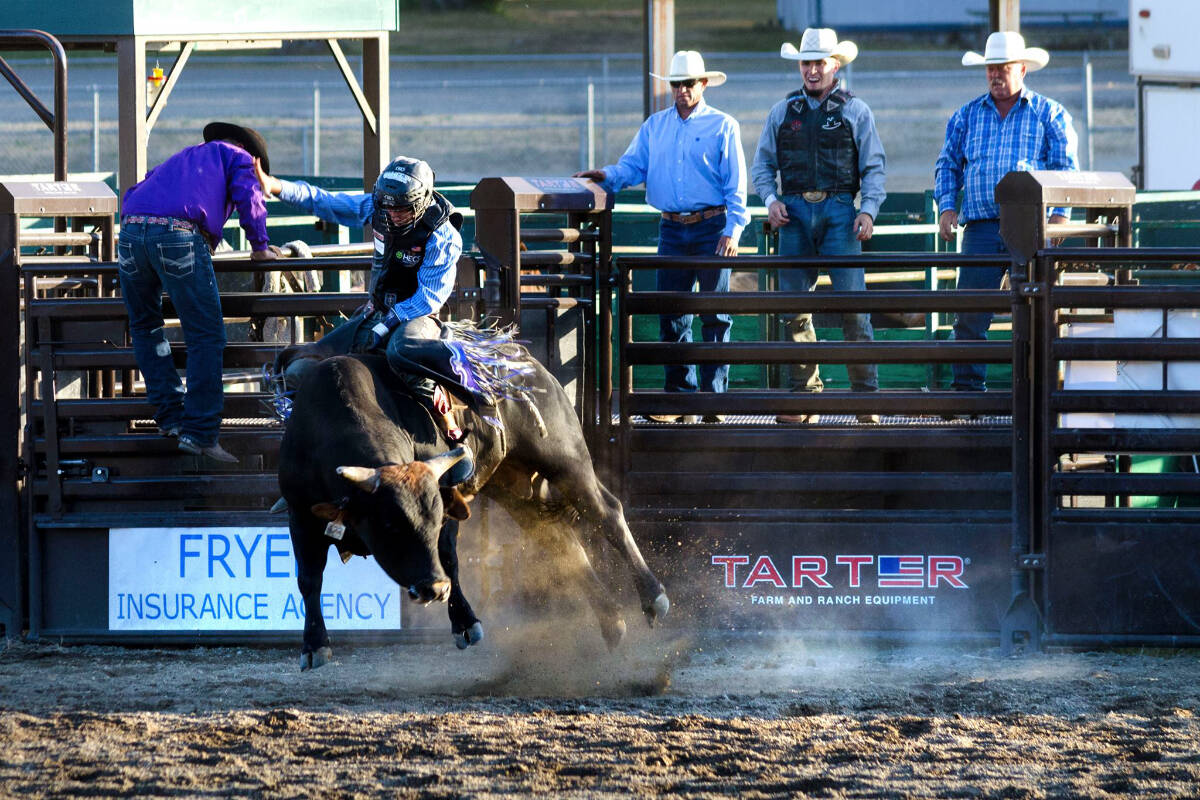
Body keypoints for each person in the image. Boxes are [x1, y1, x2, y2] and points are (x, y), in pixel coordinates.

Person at [575, 50, 749, 424]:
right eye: (677, 84)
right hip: (673, 226)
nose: (682, 90)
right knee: (673, 315)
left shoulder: (723, 126)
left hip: (711, 227)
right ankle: (682, 398)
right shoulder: (655, 127)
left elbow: (736, 184)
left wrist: (733, 229)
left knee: (714, 315)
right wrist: (606, 176)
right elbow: (632, 166)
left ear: (703, 84)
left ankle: (711, 400)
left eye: (688, 83)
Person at [256, 155, 464, 433]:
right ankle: (305, 429)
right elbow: (326, 202)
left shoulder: (442, 235)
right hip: (378, 310)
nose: (392, 215)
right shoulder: (378, 207)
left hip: (418, 317)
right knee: (301, 367)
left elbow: (429, 298)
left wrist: (386, 323)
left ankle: (451, 428)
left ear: (422, 201)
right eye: (387, 207)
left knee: (402, 353)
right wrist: (276, 186)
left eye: (402, 209)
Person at [118, 121, 277, 464]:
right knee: (205, 337)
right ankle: (201, 432)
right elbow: (250, 196)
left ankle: (171, 418)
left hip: (131, 231)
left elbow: (136, 191)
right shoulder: (239, 157)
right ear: (255, 158)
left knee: (146, 327)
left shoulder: (184, 157)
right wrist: (260, 246)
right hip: (179, 235)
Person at [751, 28, 886, 425]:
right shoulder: (782, 111)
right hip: (792, 211)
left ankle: (865, 399)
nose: (812, 70)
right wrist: (771, 202)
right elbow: (762, 166)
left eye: (819, 62)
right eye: (807, 63)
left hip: (842, 209)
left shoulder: (856, 110)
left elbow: (874, 167)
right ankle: (803, 395)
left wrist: (869, 210)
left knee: (853, 309)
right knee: (793, 310)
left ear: (835, 65)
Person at [935, 31, 1079, 393]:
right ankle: (968, 392)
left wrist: (1059, 214)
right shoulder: (967, 115)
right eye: (990, 68)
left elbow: (1066, 168)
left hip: (1031, 226)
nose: (996, 74)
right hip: (981, 226)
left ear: (1022, 69)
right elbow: (947, 164)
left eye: (1003, 67)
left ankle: (1037, 393)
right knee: (970, 312)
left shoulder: (1049, 114)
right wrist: (948, 205)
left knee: (1034, 312)